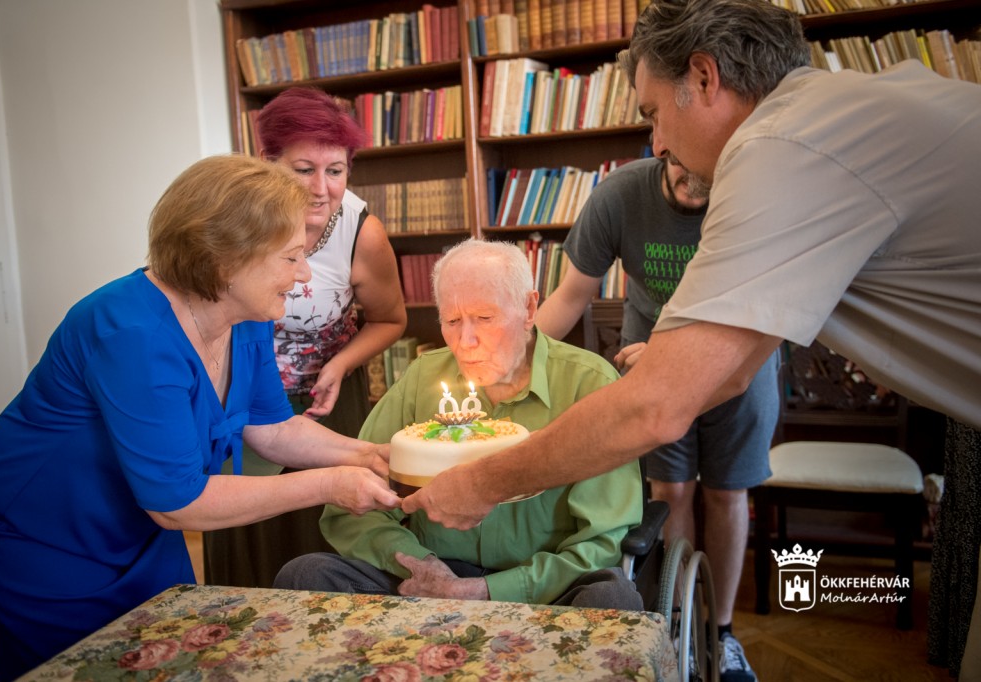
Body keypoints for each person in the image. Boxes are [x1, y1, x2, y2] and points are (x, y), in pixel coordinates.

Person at [402, 0, 980, 673]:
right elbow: (727, 369)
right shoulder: (830, 112)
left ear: (704, 77)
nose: (656, 144)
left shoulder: (779, 149)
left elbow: (658, 405)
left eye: (653, 112)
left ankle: (719, 633)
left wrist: (483, 482)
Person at [0, 154, 401, 681]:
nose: (303, 275)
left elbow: (273, 429)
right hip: (37, 525)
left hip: (137, 512)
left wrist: (371, 455)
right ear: (224, 261)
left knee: (172, 646)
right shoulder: (133, 333)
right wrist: (329, 484)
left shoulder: (247, 312)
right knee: (85, 667)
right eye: (290, 258)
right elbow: (178, 503)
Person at [274, 239, 646, 611]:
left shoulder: (589, 383)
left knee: (611, 598)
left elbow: (602, 540)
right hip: (429, 574)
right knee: (306, 574)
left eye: (484, 318)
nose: (465, 341)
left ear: (529, 308)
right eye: (452, 321)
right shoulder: (423, 378)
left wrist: (487, 590)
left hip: (547, 585)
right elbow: (355, 510)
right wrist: (423, 568)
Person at [535, 154, 778, 681]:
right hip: (649, 362)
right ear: (661, 141)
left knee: (727, 493)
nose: (691, 182)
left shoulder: (756, 190)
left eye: (704, 173)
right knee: (672, 491)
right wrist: (514, 355)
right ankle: (681, 625)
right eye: (678, 166)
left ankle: (723, 633)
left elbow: (766, 305)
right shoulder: (619, 194)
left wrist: (682, 357)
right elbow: (570, 296)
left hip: (740, 360)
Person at [203, 86, 407, 587]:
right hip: (241, 402)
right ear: (267, 163)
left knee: (325, 533)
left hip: (323, 402)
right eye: (302, 169)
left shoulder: (362, 233)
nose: (320, 188)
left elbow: (390, 319)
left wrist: (339, 364)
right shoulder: (234, 224)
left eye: (335, 171)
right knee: (248, 531)